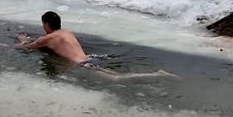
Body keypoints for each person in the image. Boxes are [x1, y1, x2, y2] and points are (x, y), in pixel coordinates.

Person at [16, 11, 179, 81]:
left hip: (83, 65)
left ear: (46, 24)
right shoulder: (66, 32)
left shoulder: (49, 37)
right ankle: (157, 74)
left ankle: (157, 75)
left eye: (43, 24)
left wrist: (21, 39)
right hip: (90, 59)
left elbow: (27, 47)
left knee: (117, 79)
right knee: (115, 76)